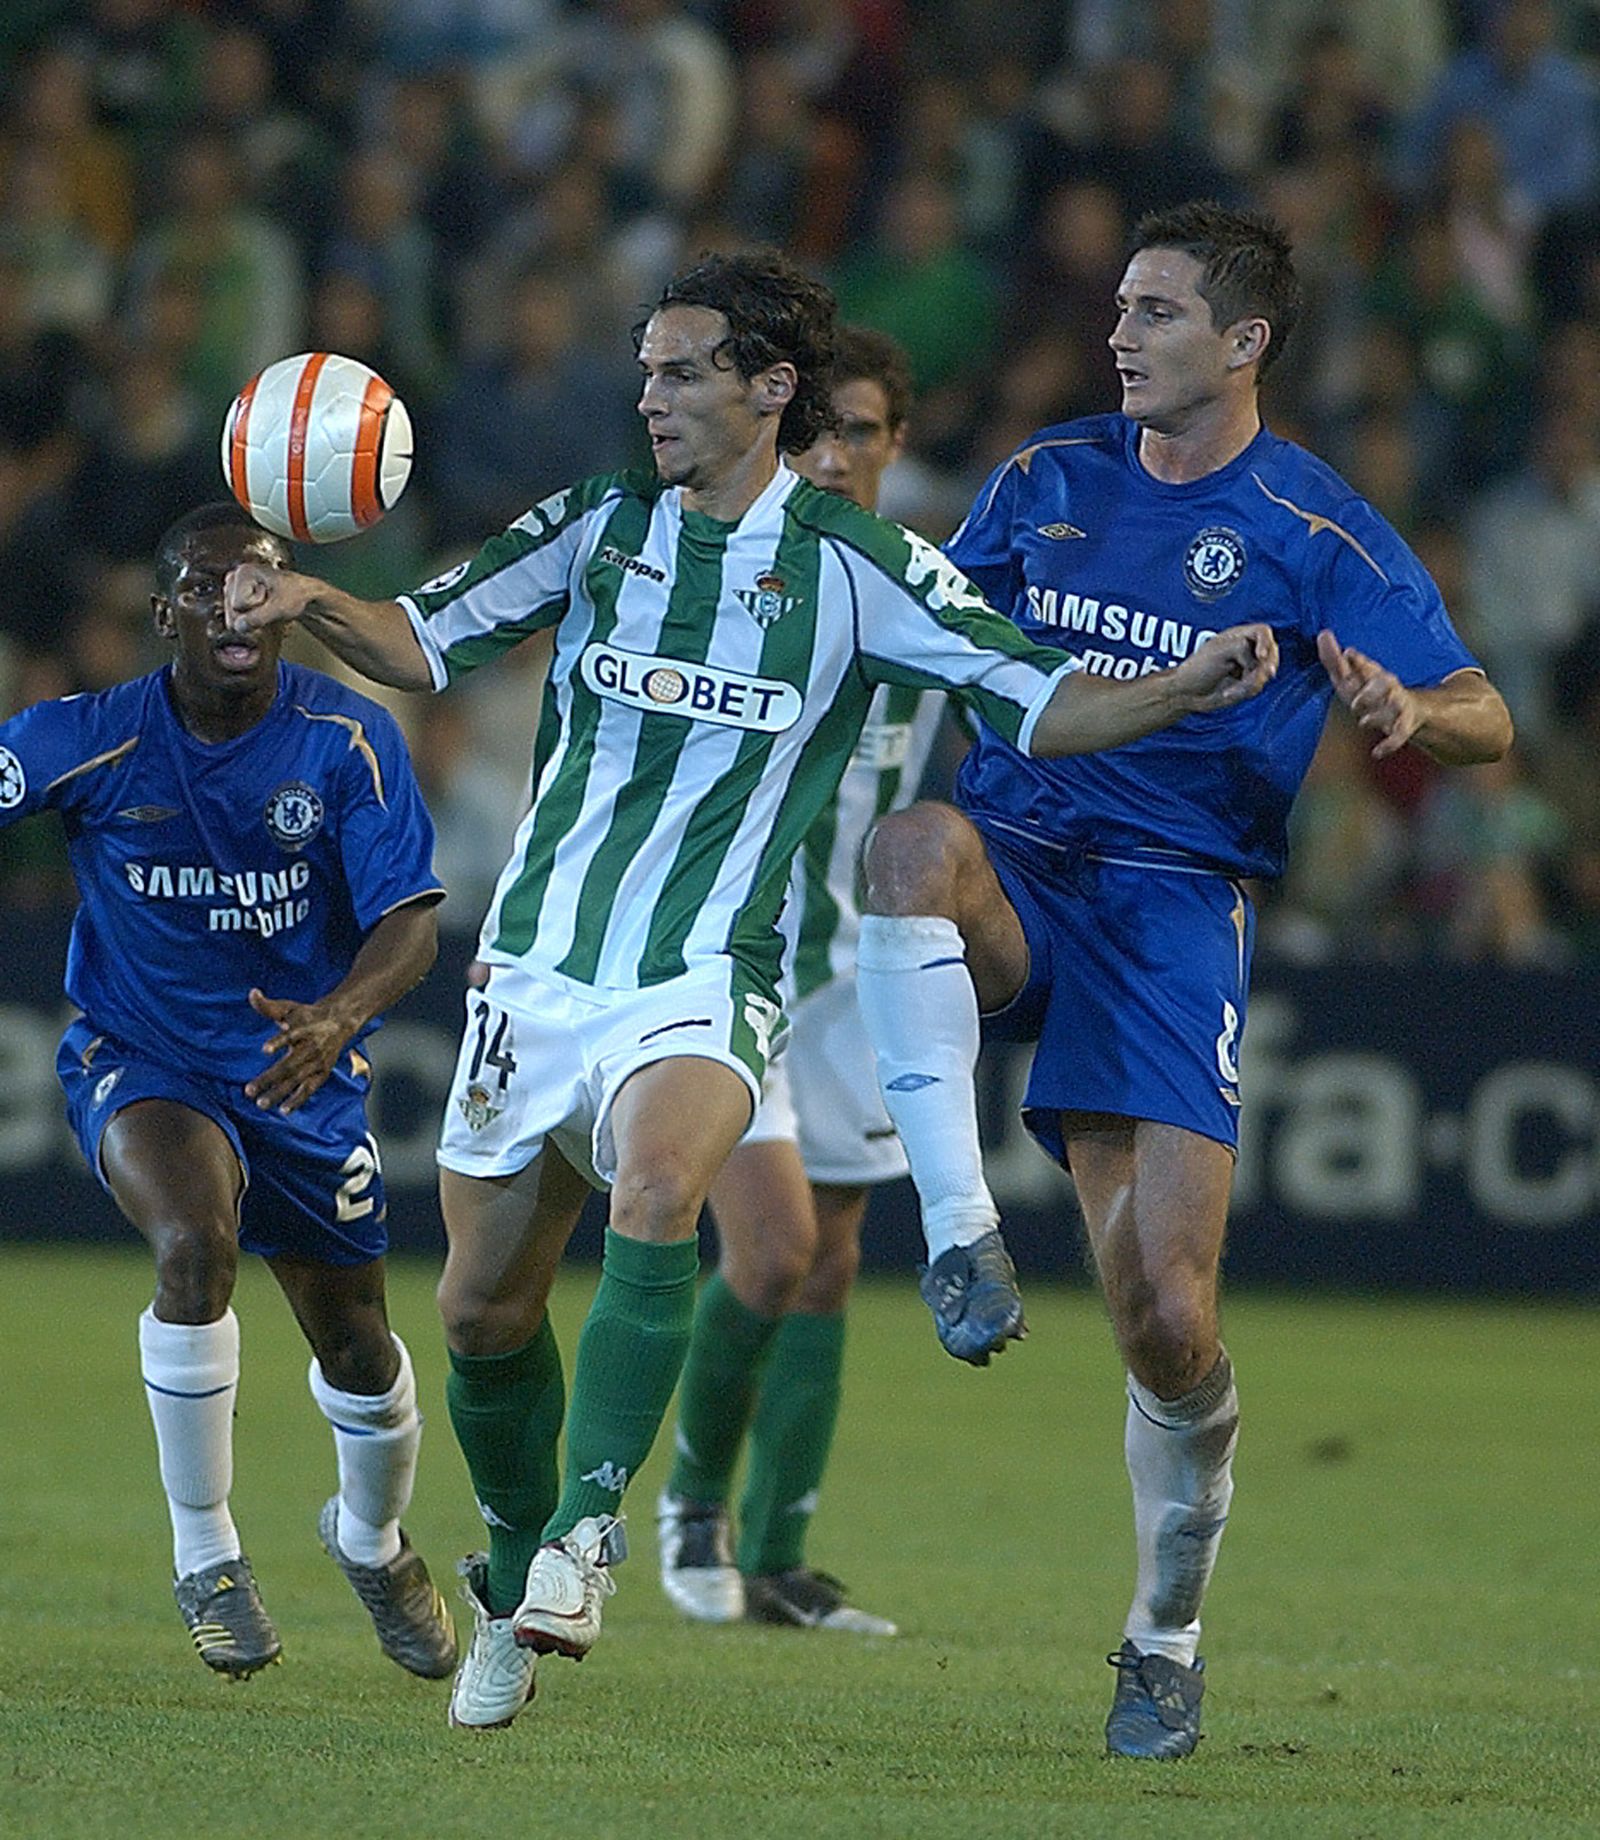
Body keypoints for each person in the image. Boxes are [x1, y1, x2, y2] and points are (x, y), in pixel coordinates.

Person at [220, 246, 1279, 1733]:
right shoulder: (594, 530)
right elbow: (422, 642)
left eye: (680, 369)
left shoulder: (857, 565)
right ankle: (519, 1570)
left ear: (769, 387)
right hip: (539, 966)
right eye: (644, 368)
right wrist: (310, 598)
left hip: (710, 970)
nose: (647, 394)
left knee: (665, 1193)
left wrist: (1186, 684)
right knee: (473, 1315)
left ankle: (593, 1539)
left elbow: (1038, 695)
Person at [851, 201, 1513, 1760]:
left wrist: (1416, 710)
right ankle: (955, 1234)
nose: (1122, 335)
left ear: (1244, 342)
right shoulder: (1047, 478)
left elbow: (1487, 711)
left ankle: (1164, 1631)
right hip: (1018, 853)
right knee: (908, 851)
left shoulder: (1313, 529)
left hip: (1167, 911)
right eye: (1123, 309)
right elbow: (939, 636)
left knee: (1164, 1313)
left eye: (1155, 313)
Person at [0, 502, 458, 1683]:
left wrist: (341, 1016)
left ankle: (371, 1541)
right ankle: (207, 1557)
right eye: (208, 586)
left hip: (300, 1071)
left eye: (261, 581)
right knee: (194, 1242)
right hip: (142, 1058)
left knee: (357, 1345)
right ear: (166, 616)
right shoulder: (90, 737)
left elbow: (410, 918)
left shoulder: (346, 740)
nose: (237, 604)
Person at [658, 326, 934, 1637]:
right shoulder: (738, 571)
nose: (840, 453)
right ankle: (687, 1513)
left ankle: (776, 1560)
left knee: (830, 1267)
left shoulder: (926, 589)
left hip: (853, 980)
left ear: (894, 447)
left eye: (866, 431)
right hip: (729, 952)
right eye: (823, 429)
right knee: (771, 1253)